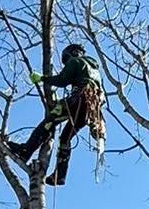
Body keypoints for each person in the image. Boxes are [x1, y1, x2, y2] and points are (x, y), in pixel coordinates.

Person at [7, 43, 104, 185]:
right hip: (90, 109)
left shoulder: (76, 61)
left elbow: (62, 80)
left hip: (79, 99)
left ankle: (25, 151)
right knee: (65, 138)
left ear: (72, 53)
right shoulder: (95, 71)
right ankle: (60, 175)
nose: (66, 62)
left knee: (49, 122)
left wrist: (42, 78)